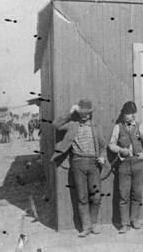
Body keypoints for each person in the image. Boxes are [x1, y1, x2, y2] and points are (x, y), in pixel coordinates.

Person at [51, 99, 107, 237]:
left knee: (96, 196)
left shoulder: (95, 127)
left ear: (91, 114)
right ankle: (86, 227)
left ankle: (94, 223)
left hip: (94, 164)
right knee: (82, 197)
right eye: (82, 113)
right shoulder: (72, 125)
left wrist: (103, 157)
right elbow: (56, 125)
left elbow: (102, 146)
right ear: (78, 113)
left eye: (87, 113)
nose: (84, 116)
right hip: (77, 164)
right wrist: (70, 113)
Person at [108, 101, 143, 233]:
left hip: (138, 164)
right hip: (123, 165)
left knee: (137, 193)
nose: (128, 116)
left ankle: (135, 220)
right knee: (123, 194)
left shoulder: (139, 126)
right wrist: (120, 150)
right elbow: (111, 144)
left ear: (134, 114)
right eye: (126, 113)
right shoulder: (118, 127)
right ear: (123, 114)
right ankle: (124, 224)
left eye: (130, 113)